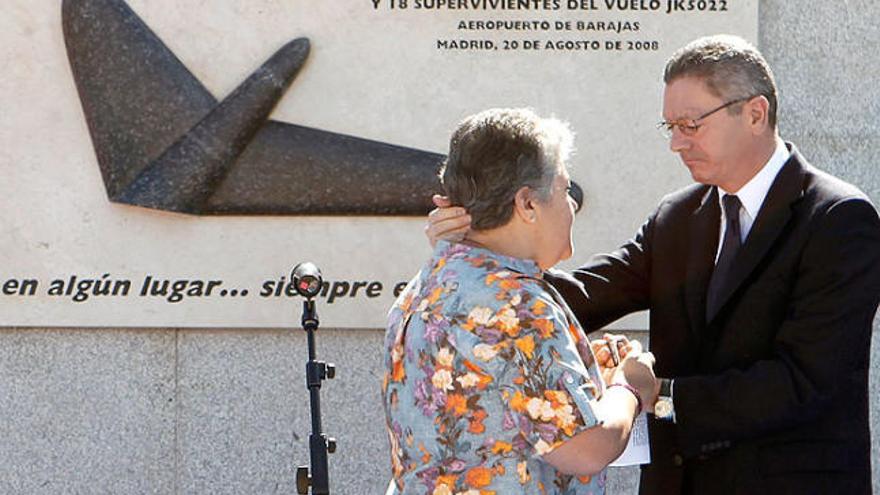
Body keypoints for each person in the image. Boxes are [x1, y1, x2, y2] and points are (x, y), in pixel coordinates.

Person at [426, 36, 880, 494]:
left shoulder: (838, 219)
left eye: (690, 124)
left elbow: (806, 381)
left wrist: (659, 393)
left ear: (755, 113)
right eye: (670, 127)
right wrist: (477, 253)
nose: (677, 144)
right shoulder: (678, 216)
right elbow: (587, 294)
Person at [382, 108, 659, 494]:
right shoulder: (516, 305)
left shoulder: (430, 282)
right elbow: (586, 448)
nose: (572, 205)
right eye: (565, 190)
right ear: (527, 204)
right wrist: (629, 385)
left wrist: (581, 368)